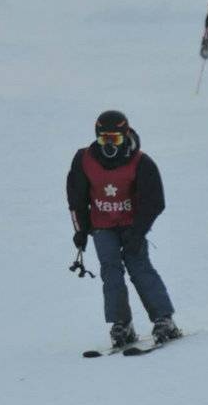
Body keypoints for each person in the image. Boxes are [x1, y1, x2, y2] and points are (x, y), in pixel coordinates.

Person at [66, 110, 181, 347]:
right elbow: (76, 199)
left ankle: (164, 318)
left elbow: (155, 202)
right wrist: (80, 230)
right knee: (110, 271)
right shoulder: (84, 160)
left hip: (131, 225)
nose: (109, 146)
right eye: (104, 139)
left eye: (115, 140)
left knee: (139, 267)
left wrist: (138, 232)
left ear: (126, 135)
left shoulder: (142, 163)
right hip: (102, 225)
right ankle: (121, 324)